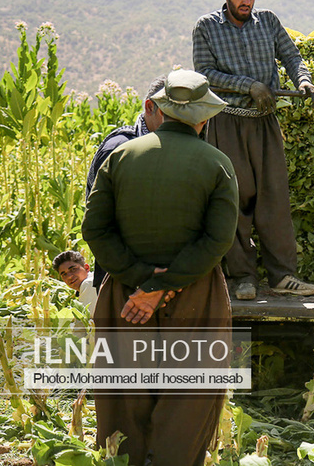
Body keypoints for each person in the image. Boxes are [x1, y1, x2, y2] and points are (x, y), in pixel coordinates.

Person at [83, 69, 239, 466]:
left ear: (162, 110)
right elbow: (217, 241)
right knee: (189, 396)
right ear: (203, 118)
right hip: (195, 296)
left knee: (124, 393)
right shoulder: (217, 164)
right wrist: (165, 287)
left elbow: (95, 229)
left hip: (124, 296)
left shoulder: (119, 156)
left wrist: (140, 284)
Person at [192, 0, 314, 300]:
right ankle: (243, 277)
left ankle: (282, 276)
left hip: (264, 122)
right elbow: (205, 73)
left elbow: (292, 56)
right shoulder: (206, 26)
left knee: (274, 199)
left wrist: (304, 80)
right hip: (227, 122)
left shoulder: (268, 22)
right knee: (235, 201)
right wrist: (249, 85)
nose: (246, 1)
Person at [85, 75, 166, 289]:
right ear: (150, 108)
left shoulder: (179, 147)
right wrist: (138, 276)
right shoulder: (118, 149)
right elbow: (100, 227)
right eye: (171, 113)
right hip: (123, 280)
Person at [52, 250, 97, 314]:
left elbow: (85, 321)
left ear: (86, 268)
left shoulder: (89, 283)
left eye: (73, 269)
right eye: (64, 274)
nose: (69, 276)